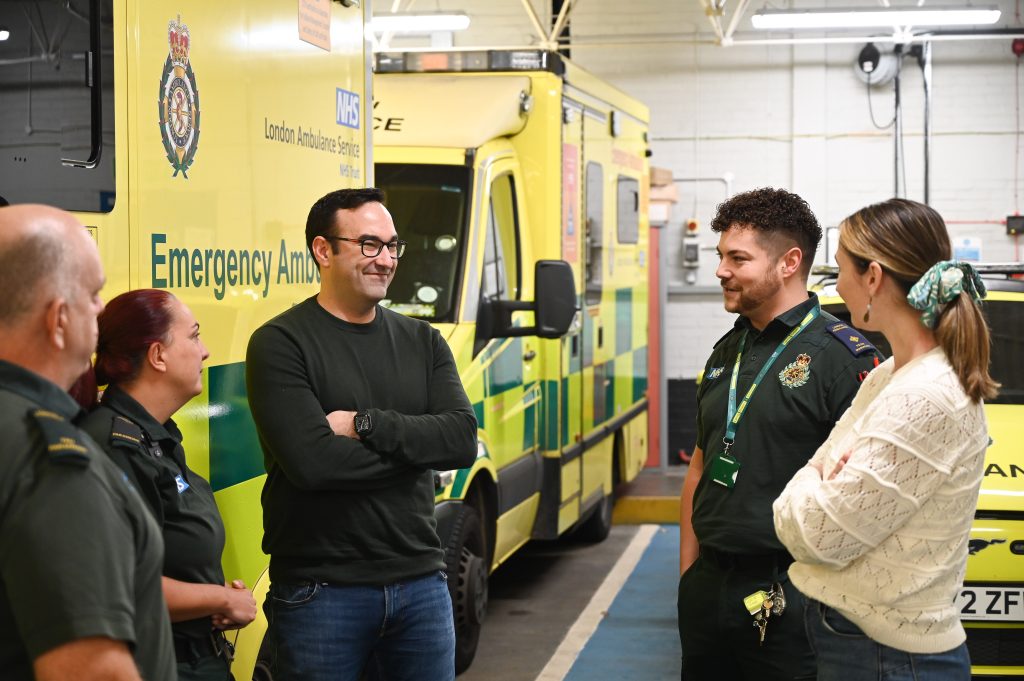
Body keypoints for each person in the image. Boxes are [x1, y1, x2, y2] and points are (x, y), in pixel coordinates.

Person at [245, 187, 477, 681]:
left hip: (421, 583)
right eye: (369, 245)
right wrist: (416, 451)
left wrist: (365, 424)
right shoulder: (280, 344)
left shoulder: (424, 341)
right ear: (323, 250)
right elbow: (314, 465)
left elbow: (459, 439)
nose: (386, 260)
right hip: (322, 592)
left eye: (393, 246)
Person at [773, 198, 994, 681]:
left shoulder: (928, 396)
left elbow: (817, 536)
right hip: (864, 644)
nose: (836, 285)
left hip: (890, 657)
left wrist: (820, 477)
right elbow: (819, 467)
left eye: (840, 270)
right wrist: (823, 473)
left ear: (872, 277)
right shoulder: (889, 375)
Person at [677, 188, 881, 680]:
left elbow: (861, 497)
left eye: (737, 258)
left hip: (792, 595)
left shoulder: (843, 360)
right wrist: (689, 579)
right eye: (721, 256)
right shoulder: (728, 349)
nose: (721, 270)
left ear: (789, 262)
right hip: (709, 592)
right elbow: (702, 463)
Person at [0, 204, 175, 681]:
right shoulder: (53, 463)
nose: (101, 309)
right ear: (58, 319)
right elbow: (93, 669)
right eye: (93, 295)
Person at [78, 289, 258, 680]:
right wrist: (222, 597)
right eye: (194, 336)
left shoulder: (156, 434)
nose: (206, 351)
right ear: (158, 356)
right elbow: (122, 585)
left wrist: (206, 596)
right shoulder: (116, 447)